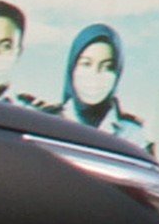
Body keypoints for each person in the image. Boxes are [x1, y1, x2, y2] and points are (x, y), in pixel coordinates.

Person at [57, 22, 149, 151]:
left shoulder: (132, 134)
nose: (95, 74)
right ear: (72, 68)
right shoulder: (48, 122)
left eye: (107, 67)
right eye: (86, 64)